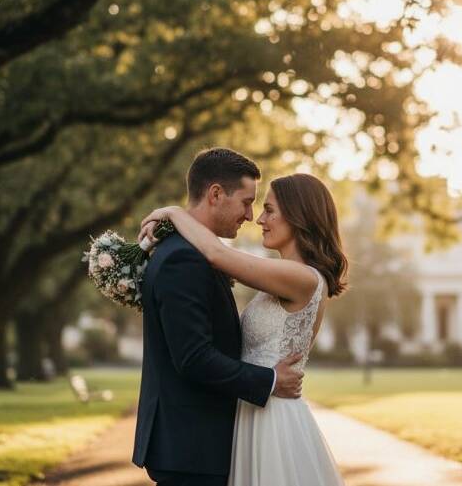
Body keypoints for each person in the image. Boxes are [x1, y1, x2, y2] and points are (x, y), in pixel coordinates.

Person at [139, 159, 348, 486]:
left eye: (268, 210)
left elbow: (218, 255)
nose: (258, 218)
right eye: (254, 206)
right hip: (251, 410)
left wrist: (175, 213)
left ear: (299, 216)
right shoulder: (281, 277)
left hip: (272, 417)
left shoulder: (303, 278)